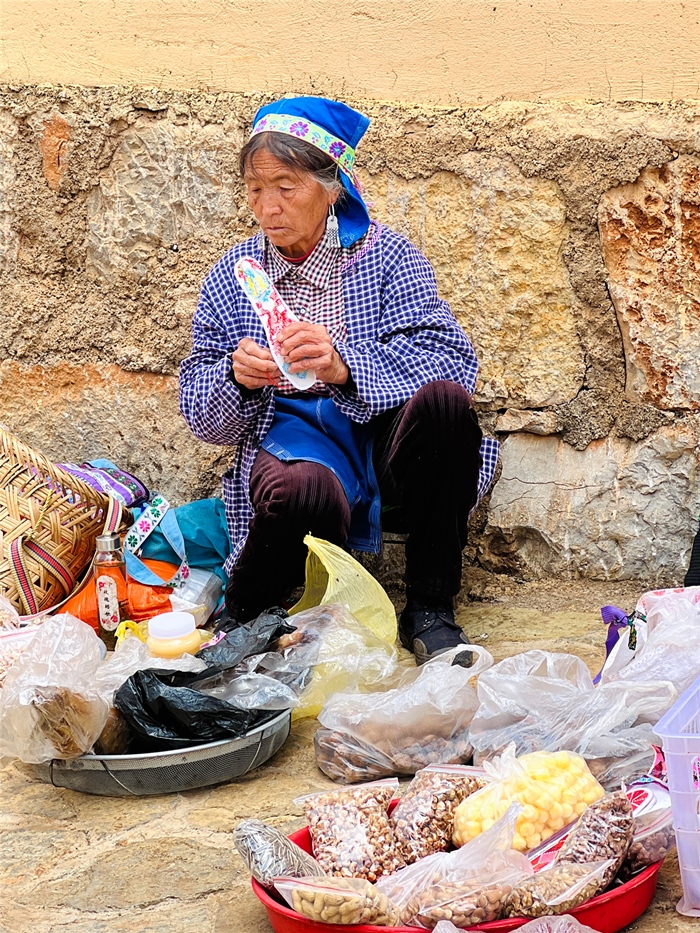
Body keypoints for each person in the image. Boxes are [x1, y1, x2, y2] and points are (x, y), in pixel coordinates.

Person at [179, 96, 499, 664]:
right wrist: (237, 378)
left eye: (286, 186)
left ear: (332, 188)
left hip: (385, 447)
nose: (267, 207)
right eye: (255, 189)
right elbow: (203, 416)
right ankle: (249, 613)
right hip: (299, 446)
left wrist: (344, 365)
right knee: (303, 490)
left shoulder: (387, 256)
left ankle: (430, 606)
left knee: (447, 408)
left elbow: (453, 362)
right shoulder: (236, 276)